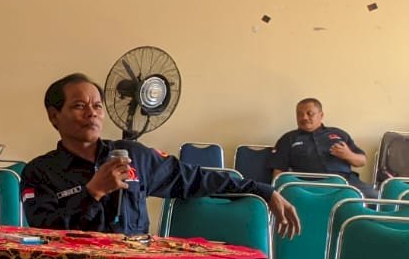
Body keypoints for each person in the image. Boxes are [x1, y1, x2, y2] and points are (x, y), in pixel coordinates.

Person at [24, 73, 301, 236]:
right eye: (79, 106)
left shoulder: (133, 156)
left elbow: (195, 179)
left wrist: (264, 191)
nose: (92, 113)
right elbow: (45, 231)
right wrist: (93, 192)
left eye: (97, 106)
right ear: (53, 116)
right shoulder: (40, 172)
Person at [272, 99, 375, 196]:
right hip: (307, 185)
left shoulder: (338, 134)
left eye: (310, 113)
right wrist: (277, 192)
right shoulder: (288, 138)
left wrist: (348, 155)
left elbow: (362, 161)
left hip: (345, 182)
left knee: (375, 197)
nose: (304, 117)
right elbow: (278, 171)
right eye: (299, 114)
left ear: (321, 115)